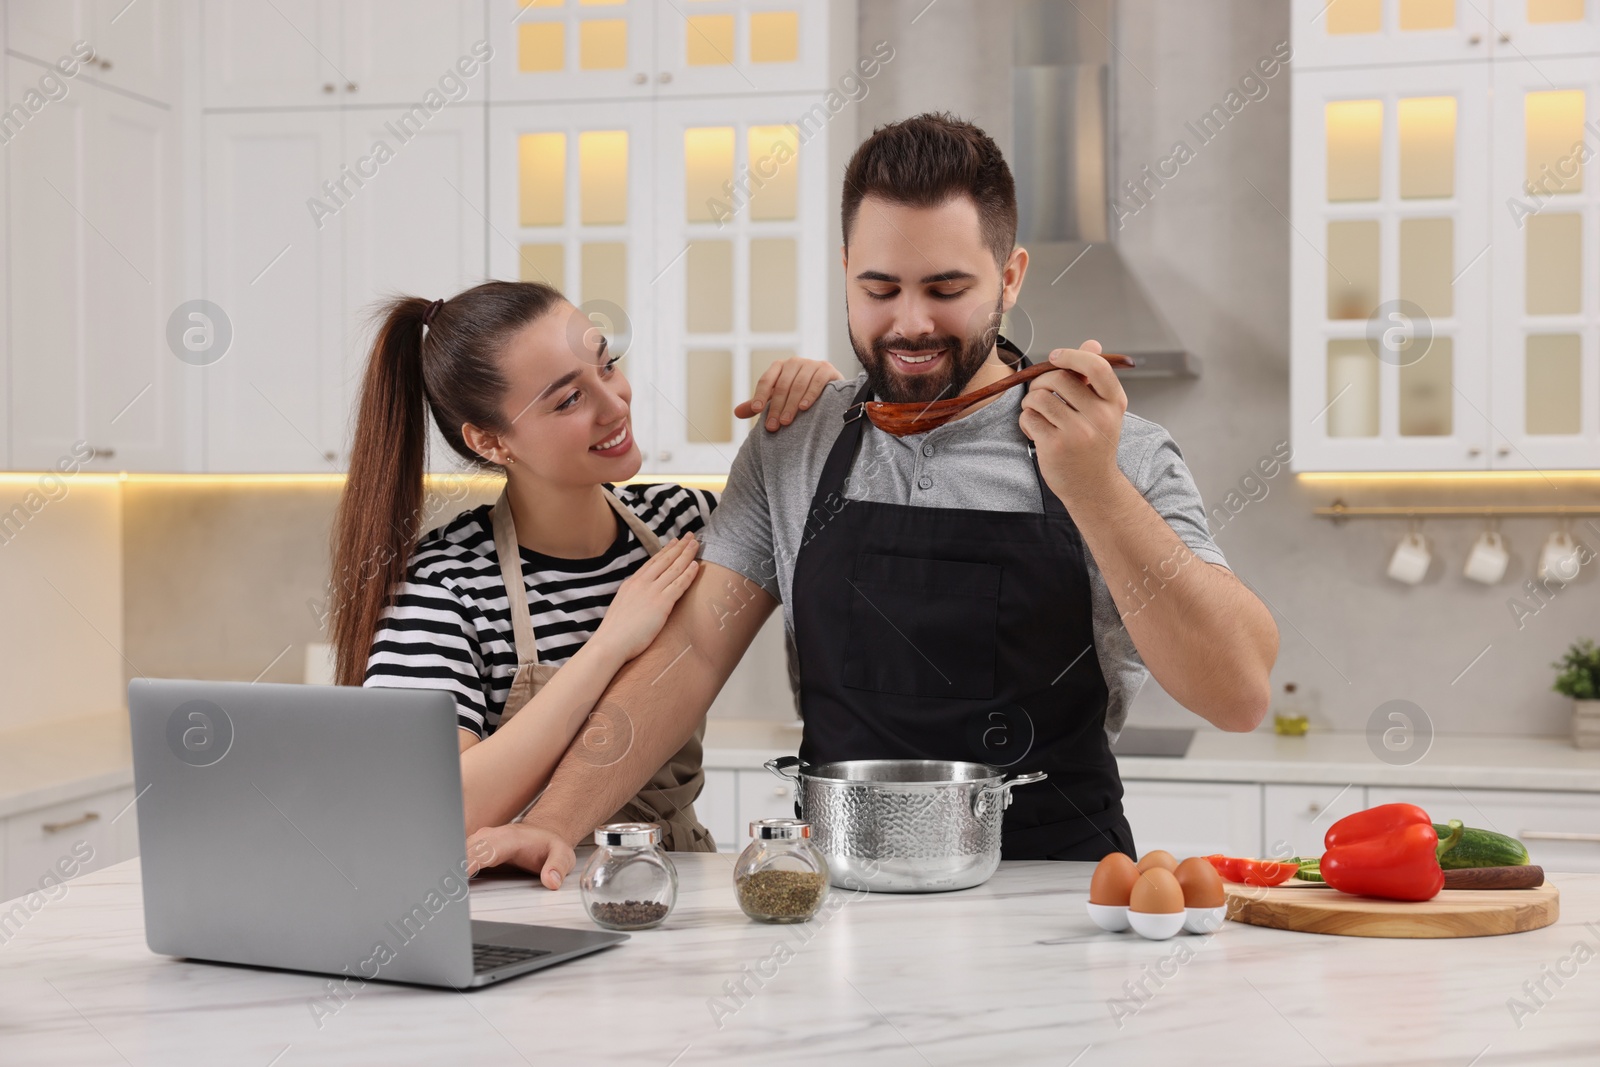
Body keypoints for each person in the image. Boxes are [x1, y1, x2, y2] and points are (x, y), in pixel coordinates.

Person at [466, 114, 1280, 884]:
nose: (910, 323)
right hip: (842, 894)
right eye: (880, 288)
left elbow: (1238, 692)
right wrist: (557, 820)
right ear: (846, 271)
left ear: (1010, 277)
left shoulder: (1117, 450)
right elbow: (692, 655)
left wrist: (1095, 489)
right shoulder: (797, 440)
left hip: (1056, 895)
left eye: (946, 287)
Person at [328, 280, 842, 880]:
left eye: (607, 366)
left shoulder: (686, 524)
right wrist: (608, 646)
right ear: (490, 441)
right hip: (527, 895)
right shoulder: (445, 586)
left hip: (672, 875)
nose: (615, 403)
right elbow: (431, 808)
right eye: (568, 400)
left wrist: (821, 409)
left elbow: (814, 509)